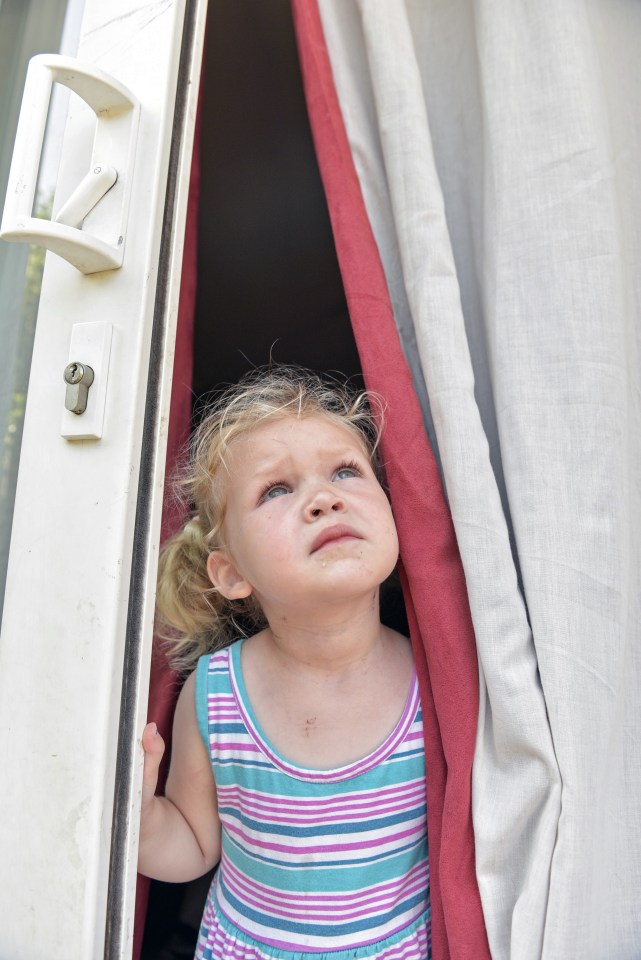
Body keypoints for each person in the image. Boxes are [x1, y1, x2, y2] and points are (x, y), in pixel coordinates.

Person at [138, 367, 431, 960]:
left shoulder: (436, 682)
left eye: (346, 470)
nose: (325, 498)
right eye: (276, 489)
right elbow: (194, 846)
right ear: (231, 573)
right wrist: (137, 815)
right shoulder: (216, 694)